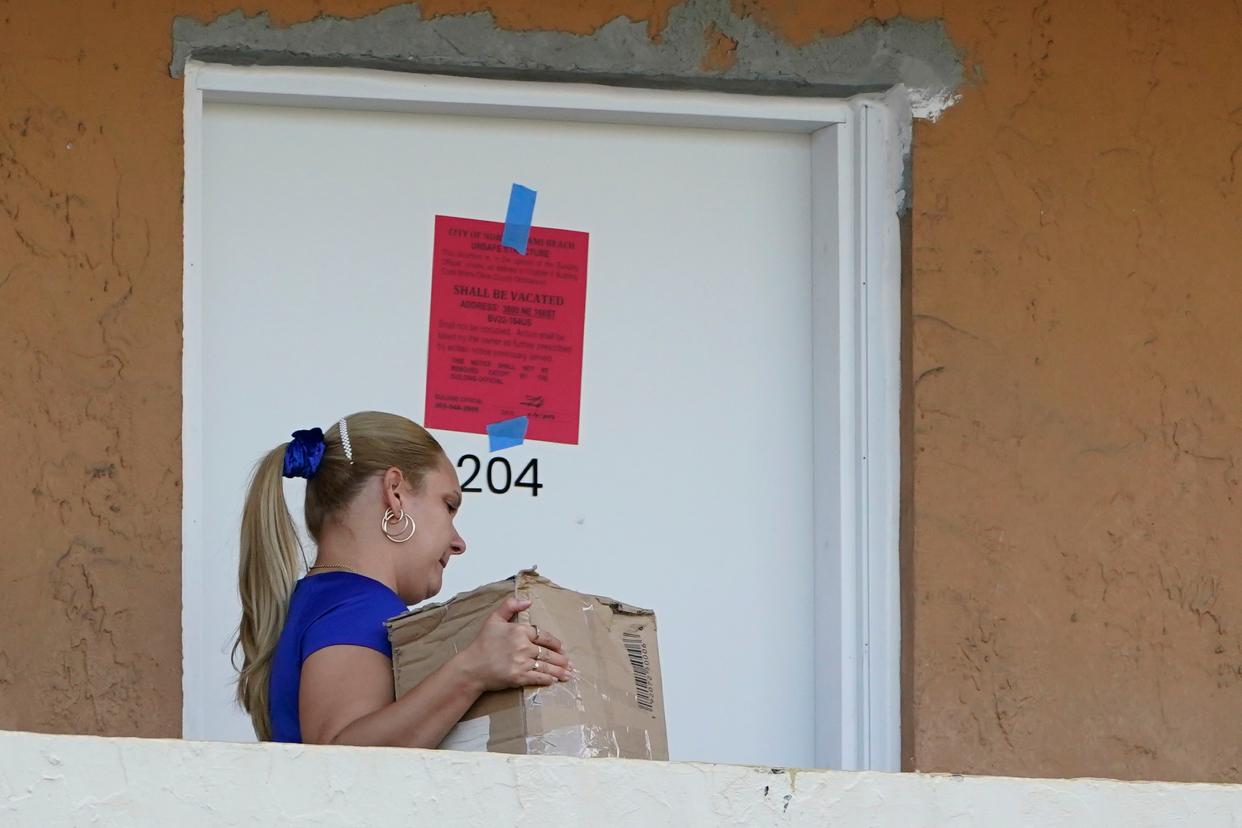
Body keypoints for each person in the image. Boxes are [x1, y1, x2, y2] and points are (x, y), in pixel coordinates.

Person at [233, 411, 572, 745]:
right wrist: (473, 670)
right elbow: (339, 759)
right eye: (449, 506)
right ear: (394, 492)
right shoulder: (360, 603)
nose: (458, 543)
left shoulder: (318, 598)